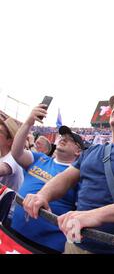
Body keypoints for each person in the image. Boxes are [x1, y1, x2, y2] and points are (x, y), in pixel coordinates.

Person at [22, 95, 114, 254]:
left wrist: (95, 216)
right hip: (76, 245)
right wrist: (42, 195)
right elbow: (65, 178)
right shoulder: (92, 151)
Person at [10, 105, 82, 252]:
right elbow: (16, 152)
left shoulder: (78, 175)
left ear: (78, 151)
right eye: (63, 136)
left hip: (47, 244)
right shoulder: (40, 159)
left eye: (70, 139)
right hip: (14, 231)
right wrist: (29, 121)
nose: (63, 139)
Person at [0, 118, 24, 192]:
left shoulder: (13, 157)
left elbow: (3, 169)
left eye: (0, 131)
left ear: (10, 141)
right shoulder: (2, 155)